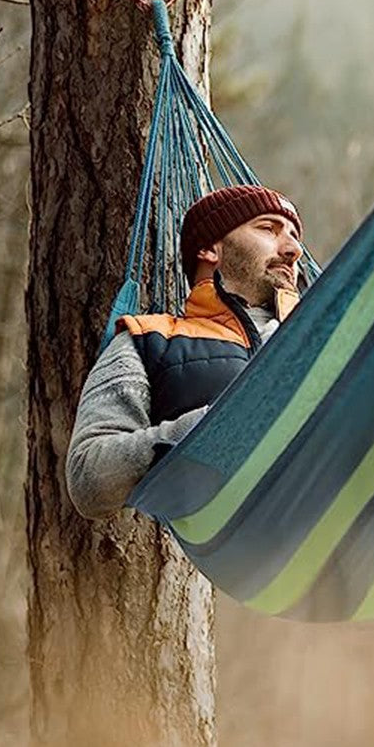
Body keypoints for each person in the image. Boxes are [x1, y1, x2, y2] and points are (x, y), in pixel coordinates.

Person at [66, 184, 303, 519]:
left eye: (294, 236)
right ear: (210, 249)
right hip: (231, 546)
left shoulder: (322, 338)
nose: (294, 249)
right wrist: (218, 426)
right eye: (268, 229)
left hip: (343, 544)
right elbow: (88, 478)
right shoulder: (151, 340)